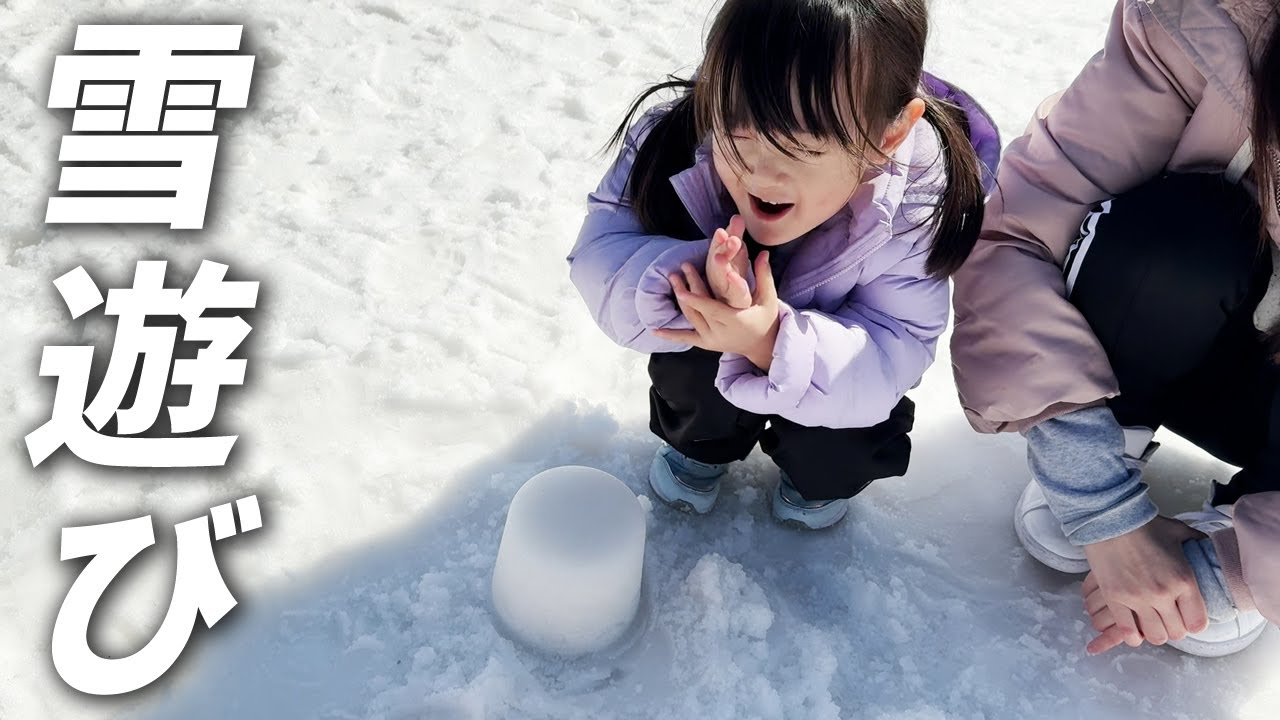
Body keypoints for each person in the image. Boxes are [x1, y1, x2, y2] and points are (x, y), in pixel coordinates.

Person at [567, 0, 999, 530]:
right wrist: (692, 286)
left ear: (888, 137)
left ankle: (816, 480)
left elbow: (896, 344)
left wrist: (772, 342)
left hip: (836, 378)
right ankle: (701, 445)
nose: (762, 173)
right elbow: (600, 254)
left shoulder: (913, 206)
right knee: (695, 359)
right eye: (739, 130)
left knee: (849, 426)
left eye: (803, 147)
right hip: (710, 349)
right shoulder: (677, 137)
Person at [951, 0, 1280, 657]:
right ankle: (1114, 438)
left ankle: (1248, 520)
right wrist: (1100, 503)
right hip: (1172, 339)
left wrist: (1238, 570)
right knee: (1178, 233)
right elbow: (1020, 232)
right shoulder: (1208, 21)